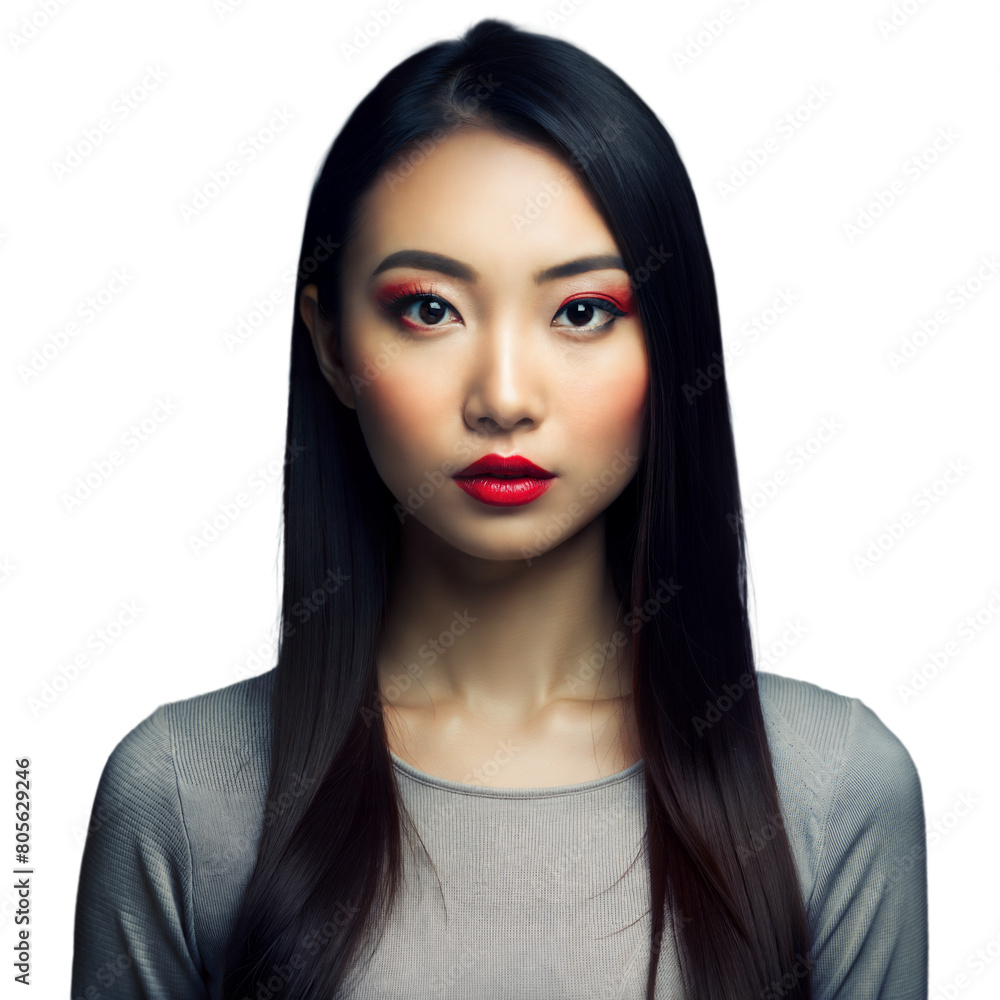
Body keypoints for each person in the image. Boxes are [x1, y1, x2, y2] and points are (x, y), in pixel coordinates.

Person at [70, 18, 927, 1000]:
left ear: (671, 342)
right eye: (429, 308)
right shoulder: (181, 794)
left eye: (581, 311)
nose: (504, 395)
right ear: (329, 341)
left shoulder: (831, 787)